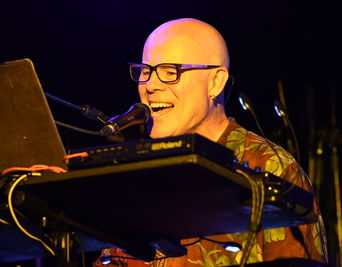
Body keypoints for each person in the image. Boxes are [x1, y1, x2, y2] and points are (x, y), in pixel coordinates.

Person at [94, 18, 328, 266]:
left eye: (170, 72)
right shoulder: (140, 172)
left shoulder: (268, 166)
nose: (150, 85)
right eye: (145, 71)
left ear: (215, 82)